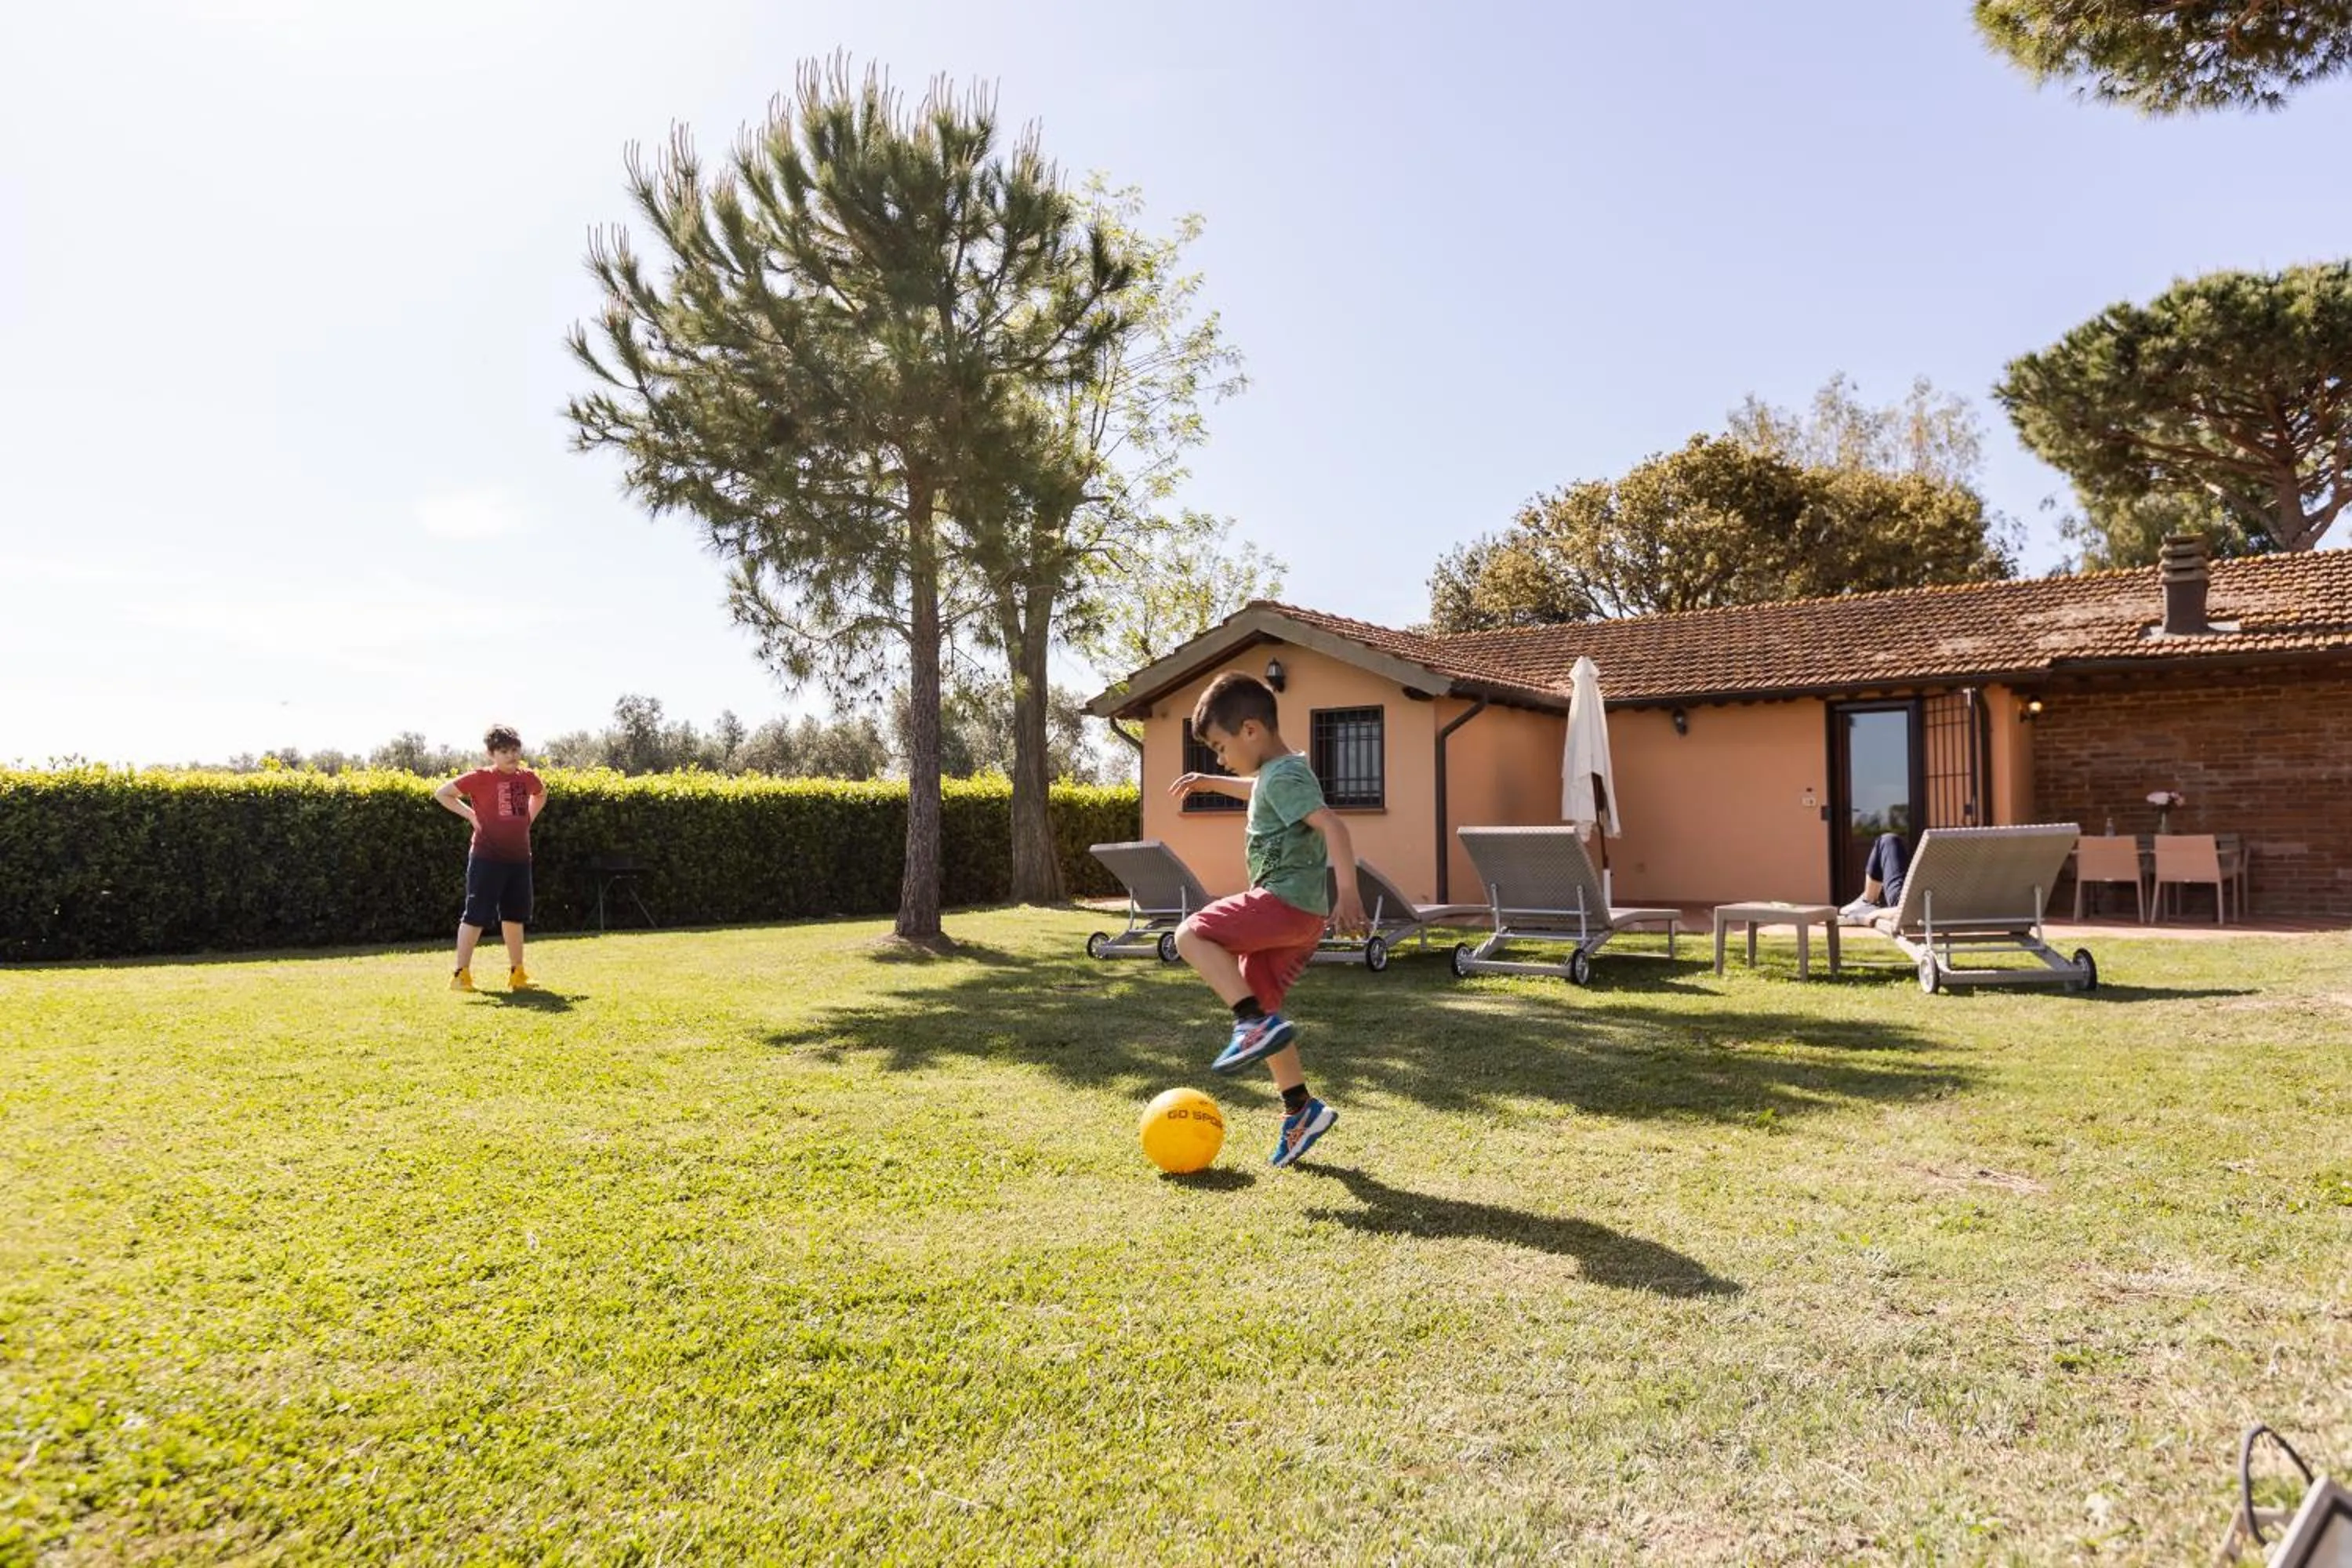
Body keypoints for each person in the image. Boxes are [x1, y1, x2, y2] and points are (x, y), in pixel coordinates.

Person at [1167, 673, 1368, 1168]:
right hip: (1300, 920)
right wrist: (1210, 782)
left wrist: (1349, 894)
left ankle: (1249, 1023)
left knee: (1189, 933)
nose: (1219, 757)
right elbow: (1257, 787)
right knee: (1264, 1000)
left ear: (1251, 731)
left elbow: (1334, 827)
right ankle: (1300, 1108)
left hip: (1283, 903)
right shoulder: (1280, 774)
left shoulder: (1284, 776)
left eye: (1219, 747)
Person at [435, 724, 546, 992]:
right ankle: (460, 976)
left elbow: (541, 794)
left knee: (514, 916)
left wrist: (528, 819)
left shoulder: (528, 777)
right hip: (487, 858)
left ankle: (517, 974)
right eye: (504, 751)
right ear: (491, 754)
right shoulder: (480, 777)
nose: (512, 756)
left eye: (515, 750)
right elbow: (443, 793)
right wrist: (472, 816)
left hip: (519, 859)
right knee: (475, 915)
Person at [1839, 831, 1911, 923]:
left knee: (1888, 841)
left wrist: (1878, 913)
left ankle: (1868, 901)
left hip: (1911, 900)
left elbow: (1907, 911)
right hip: (1925, 899)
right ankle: (1868, 902)